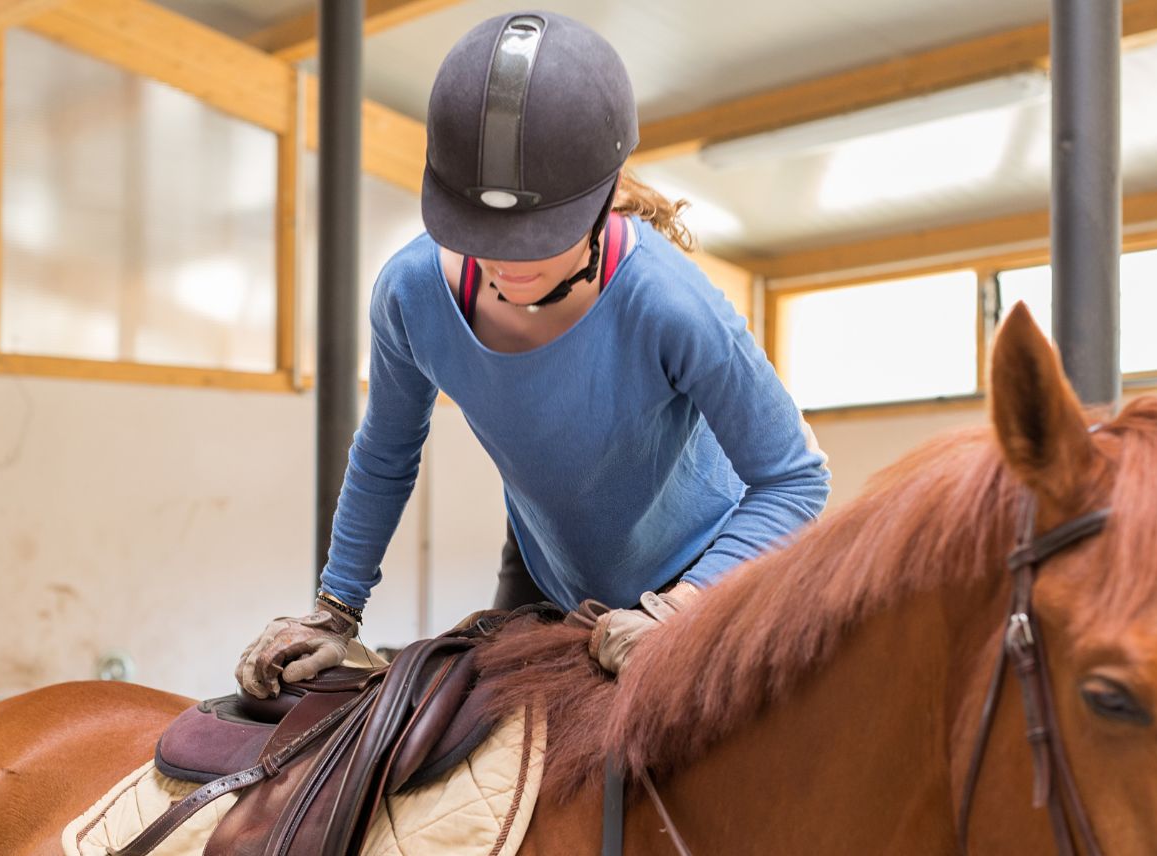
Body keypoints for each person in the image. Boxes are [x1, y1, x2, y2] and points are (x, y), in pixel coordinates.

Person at [236, 10, 829, 697]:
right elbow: (385, 452)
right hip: (547, 564)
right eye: (480, 230)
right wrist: (334, 610)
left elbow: (795, 480)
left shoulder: (670, 302)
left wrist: (681, 608)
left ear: (601, 199)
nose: (508, 264)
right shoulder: (410, 294)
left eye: (537, 237)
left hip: (709, 569)